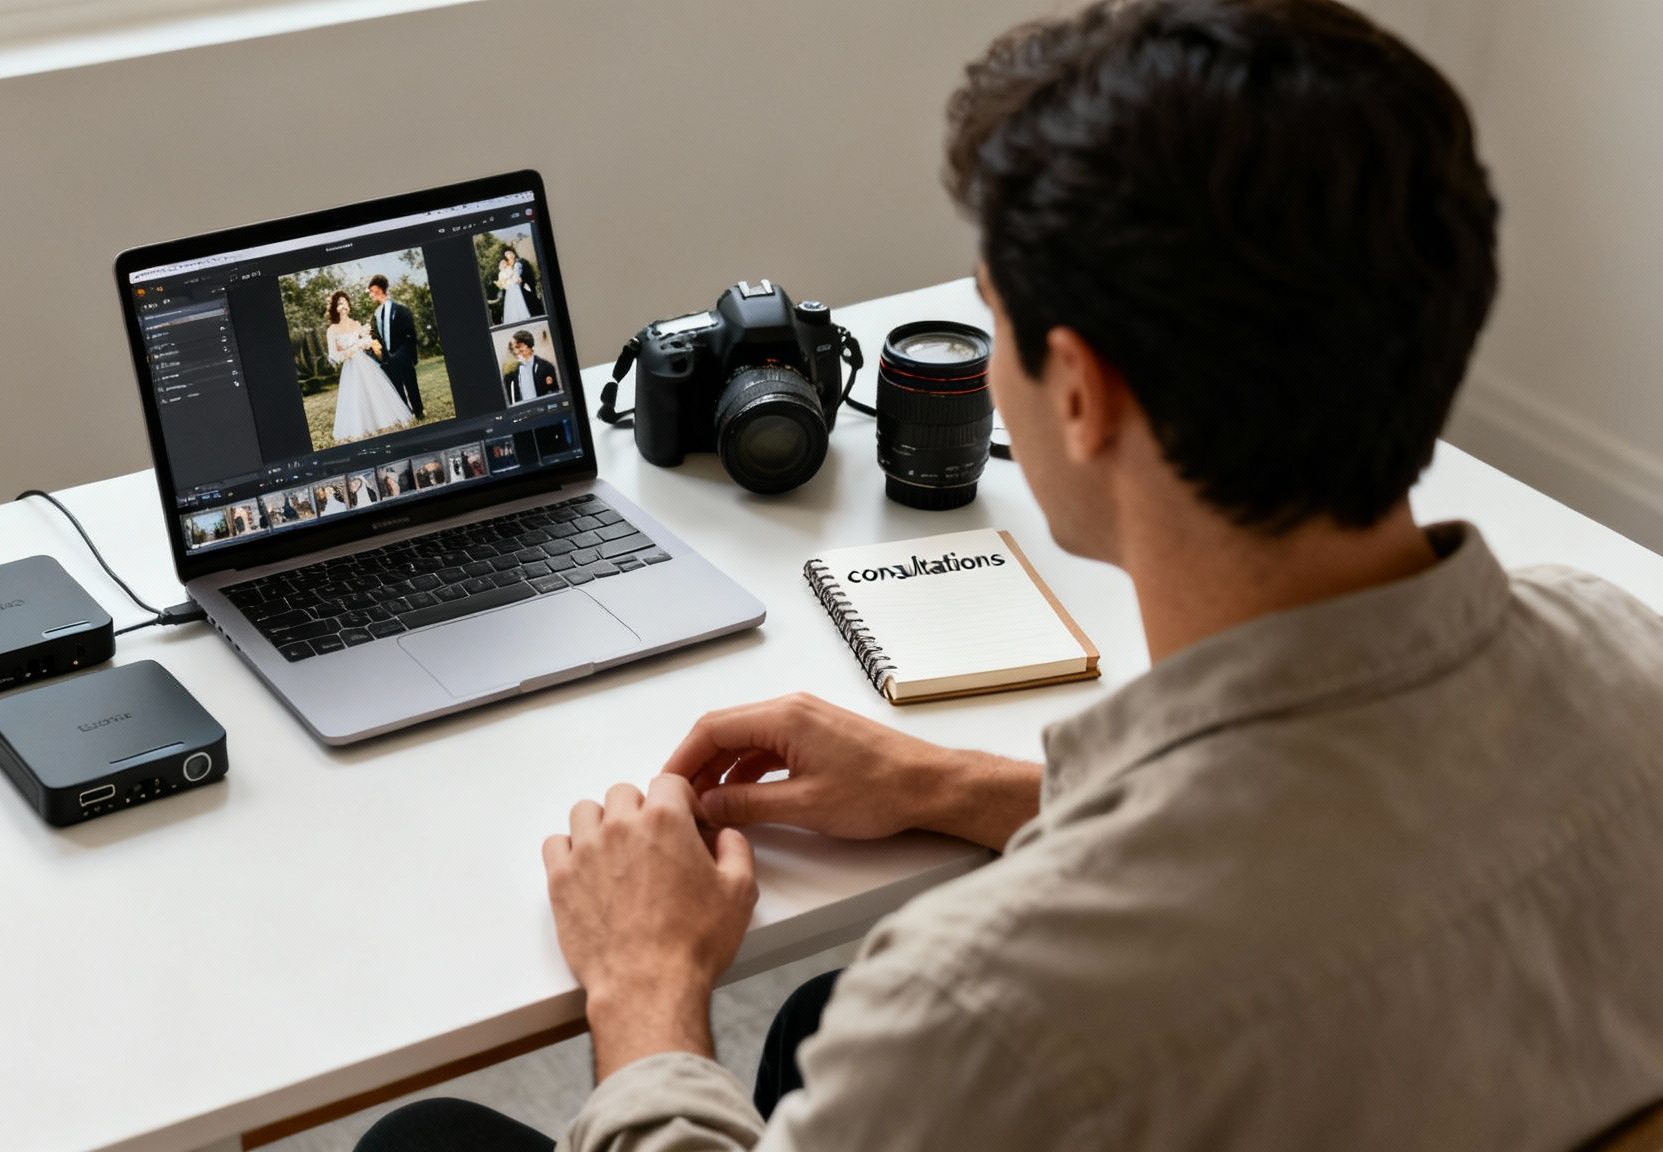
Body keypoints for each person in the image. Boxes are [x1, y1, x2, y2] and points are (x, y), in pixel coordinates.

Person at [356, 2, 1663, 1151]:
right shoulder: (1627, 661)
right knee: (819, 1019)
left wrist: (645, 987)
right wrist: (944, 784)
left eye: (993, 318)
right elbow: (1325, 821)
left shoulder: (986, 1014)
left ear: (1083, 390)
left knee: (423, 1138)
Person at [324, 290, 415, 444]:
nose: (343, 306)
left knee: (376, 392)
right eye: (339, 303)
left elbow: (368, 343)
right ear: (334, 307)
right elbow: (334, 356)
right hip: (351, 367)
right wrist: (354, 347)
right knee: (356, 397)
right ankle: (362, 427)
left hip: (366, 365)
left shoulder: (356, 324)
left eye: (345, 302)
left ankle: (384, 422)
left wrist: (366, 341)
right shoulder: (332, 330)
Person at [368, 275, 425, 419]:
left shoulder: (401, 310)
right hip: (387, 359)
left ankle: (418, 412)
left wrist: (409, 356)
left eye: (371, 291)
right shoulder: (375, 315)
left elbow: (410, 335)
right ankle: (405, 413)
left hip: (403, 355)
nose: (370, 294)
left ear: (379, 289)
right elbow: (375, 336)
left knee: (411, 384)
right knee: (397, 387)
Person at [493, 244, 543, 325]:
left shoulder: (520, 262)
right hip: (512, 288)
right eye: (506, 255)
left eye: (509, 253)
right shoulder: (506, 266)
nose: (508, 256)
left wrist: (522, 280)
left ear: (513, 253)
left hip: (521, 287)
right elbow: (504, 279)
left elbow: (527, 277)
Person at [505, 330, 558, 405]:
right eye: (513, 348)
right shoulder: (511, 375)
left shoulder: (547, 367)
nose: (516, 351)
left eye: (518, 346)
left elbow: (555, 394)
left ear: (529, 345)